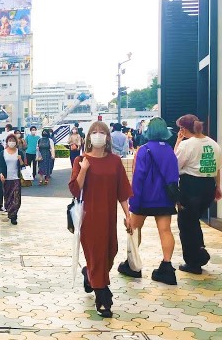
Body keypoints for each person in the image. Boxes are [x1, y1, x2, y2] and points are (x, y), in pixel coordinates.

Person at [69, 121, 132, 318]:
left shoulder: (114, 161)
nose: (98, 135)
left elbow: (122, 191)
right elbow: (74, 189)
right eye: (94, 132)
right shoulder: (81, 160)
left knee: (110, 252)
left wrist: (128, 215)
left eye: (101, 132)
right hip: (89, 218)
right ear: (88, 137)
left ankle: (90, 274)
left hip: (109, 217)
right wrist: (84, 169)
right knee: (96, 254)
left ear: (107, 137)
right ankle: (103, 297)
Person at [121, 117, 179, 285]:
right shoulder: (169, 150)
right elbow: (174, 177)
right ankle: (167, 267)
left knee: (134, 230)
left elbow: (138, 178)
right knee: (165, 231)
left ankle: (132, 265)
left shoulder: (144, 150)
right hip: (165, 199)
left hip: (144, 199)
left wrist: (133, 201)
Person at [173, 114, 222, 275]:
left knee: (186, 224)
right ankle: (200, 254)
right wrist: (218, 186)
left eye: (181, 128)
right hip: (208, 187)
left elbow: (175, 165)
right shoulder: (213, 144)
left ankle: (193, 262)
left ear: (185, 129)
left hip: (191, 187)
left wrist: (178, 142)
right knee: (194, 222)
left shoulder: (187, 145)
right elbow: (218, 168)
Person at [0, 134, 25, 225]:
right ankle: (10, 212)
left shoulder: (19, 152)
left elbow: (23, 166)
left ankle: (14, 216)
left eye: (13, 140)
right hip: (7, 179)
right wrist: (1, 174)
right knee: (8, 198)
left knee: (16, 198)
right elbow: (1, 165)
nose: (11, 142)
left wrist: (20, 160)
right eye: (9, 140)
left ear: (16, 142)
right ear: (7, 142)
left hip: (16, 178)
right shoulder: (3, 153)